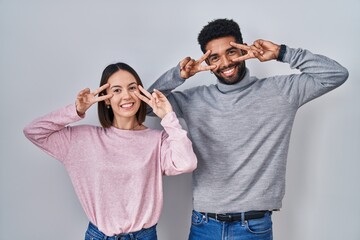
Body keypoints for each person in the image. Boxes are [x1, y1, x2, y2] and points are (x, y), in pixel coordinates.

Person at [147, 18, 349, 240]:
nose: (225, 63)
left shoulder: (282, 91)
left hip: (253, 227)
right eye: (215, 57)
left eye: (231, 52)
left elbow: (335, 74)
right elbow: (146, 107)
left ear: (245, 48)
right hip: (204, 224)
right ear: (207, 61)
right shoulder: (194, 99)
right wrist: (179, 75)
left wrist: (282, 53)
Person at [23, 62, 197, 240]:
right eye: (116, 90)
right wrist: (76, 110)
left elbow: (187, 163)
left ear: (141, 93)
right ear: (106, 98)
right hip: (99, 236)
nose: (127, 96)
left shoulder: (157, 141)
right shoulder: (82, 139)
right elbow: (34, 131)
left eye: (132, 88)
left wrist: (168, 117)